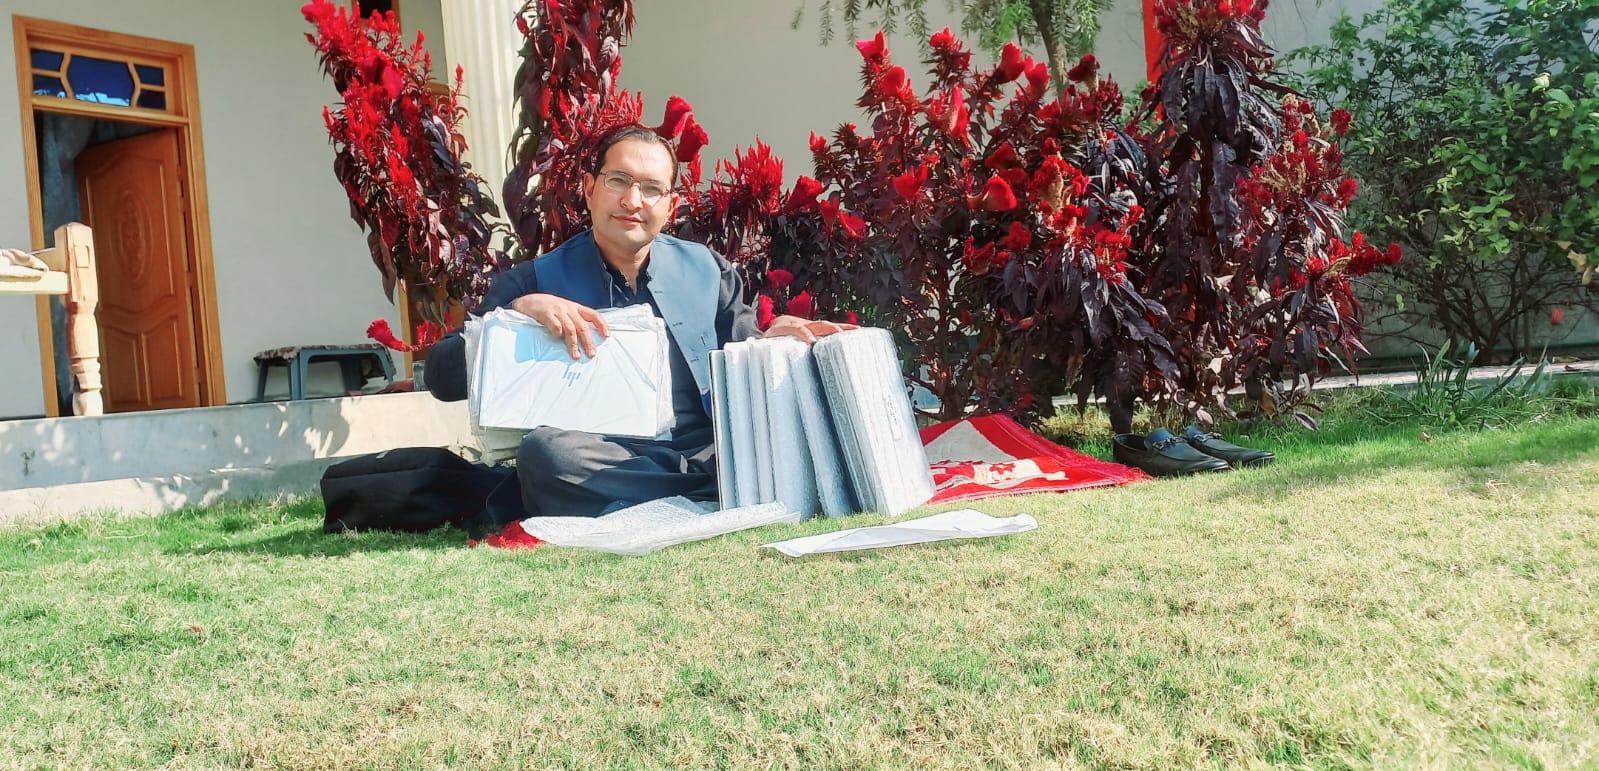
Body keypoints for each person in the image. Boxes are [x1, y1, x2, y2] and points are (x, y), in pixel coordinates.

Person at [425, 125, 848, 519]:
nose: (633, 201)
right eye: (618, 181)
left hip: (708, 451)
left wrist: (777, 337)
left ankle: (678, 493)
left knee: (767, 443)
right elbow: (440, 378)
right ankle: (717, 493)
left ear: (670, 205)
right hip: (605, 457)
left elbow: (745, 354)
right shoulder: (536, 282)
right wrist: (517, 313)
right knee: (546, 454)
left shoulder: (706, 269)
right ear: (589, 188)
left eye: (651, 189)